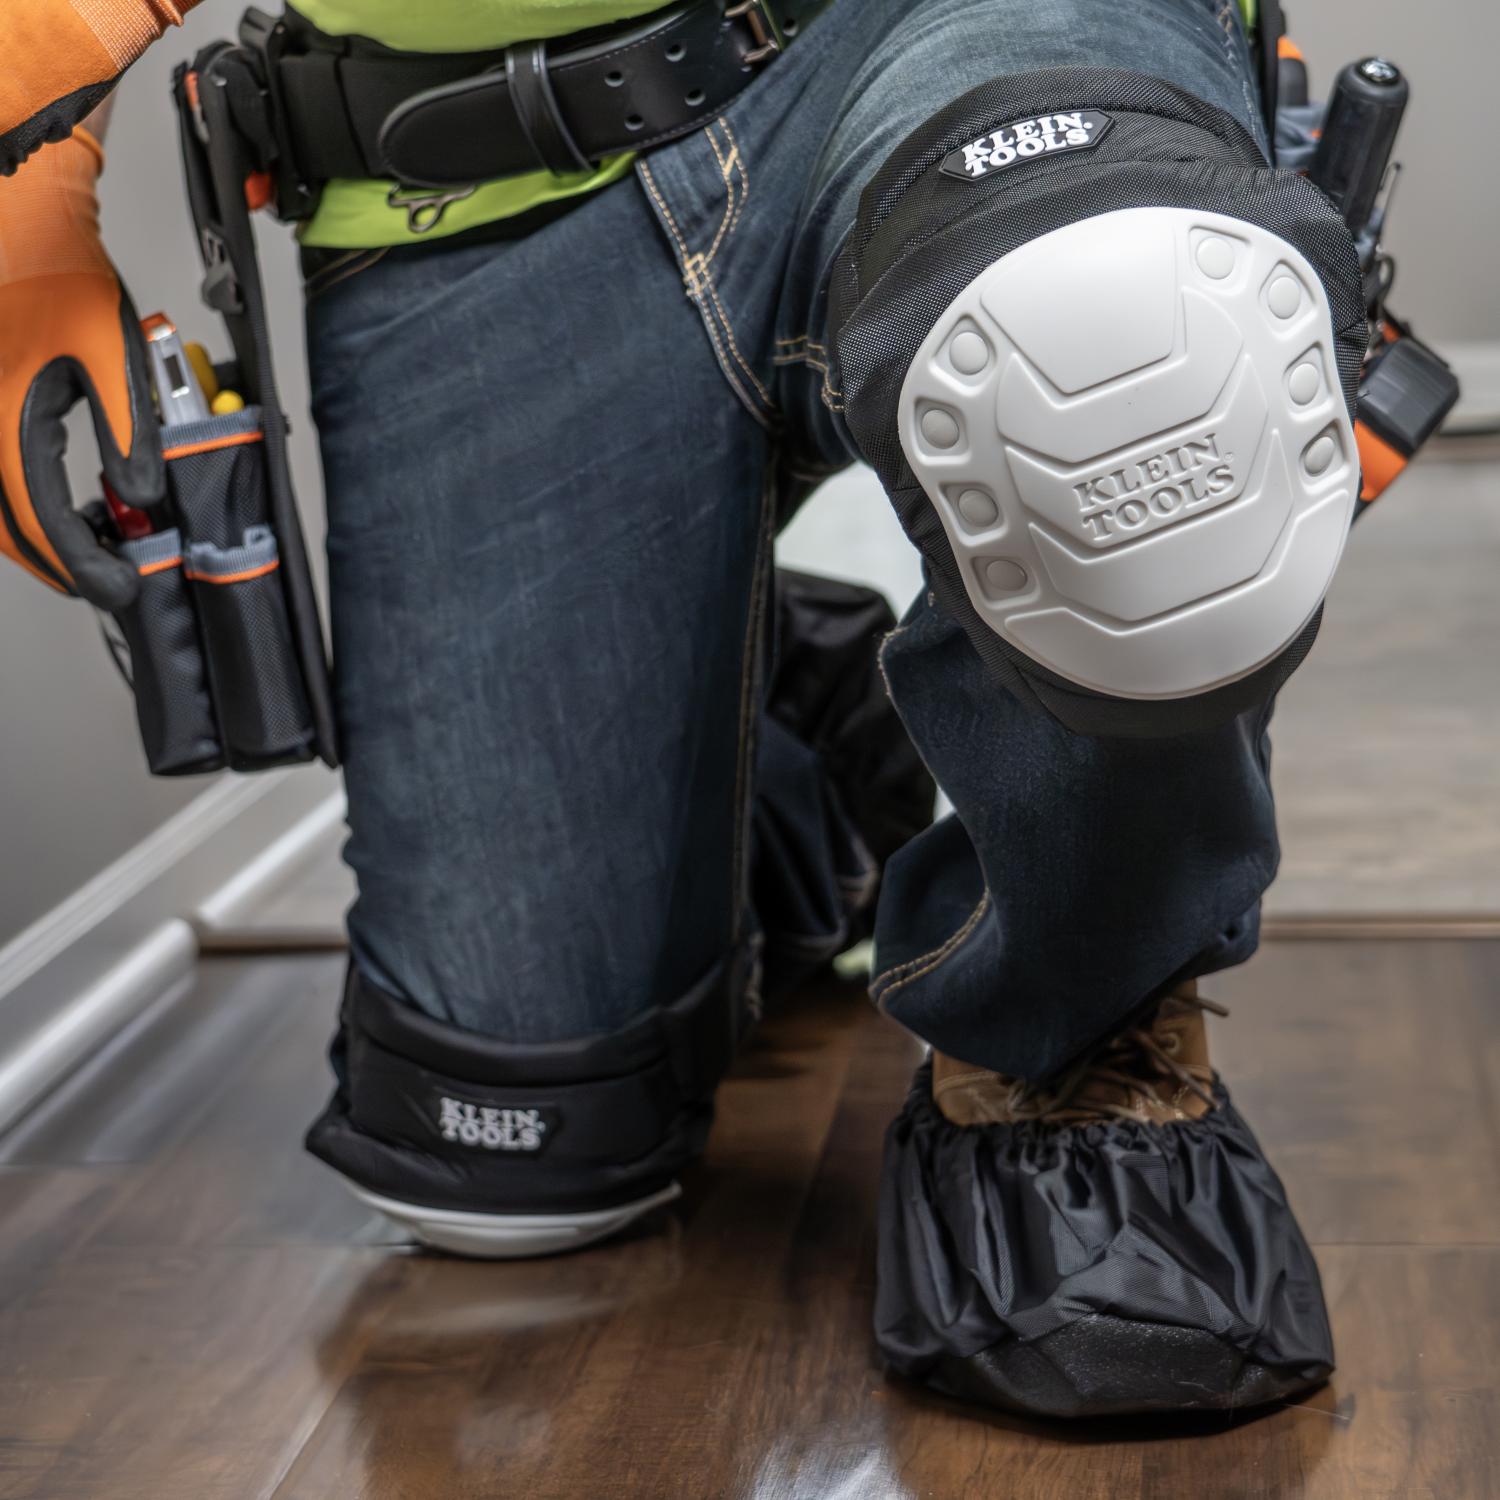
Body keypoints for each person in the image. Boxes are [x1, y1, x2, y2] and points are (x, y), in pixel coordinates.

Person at [0, 0, 1362, 1418]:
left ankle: (1070, 1042)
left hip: (946, 31)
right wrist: (28, 200)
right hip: (464, 150)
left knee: (1106, 310)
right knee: (514, 1158)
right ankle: (795, 743)